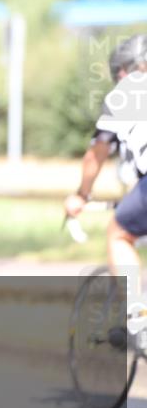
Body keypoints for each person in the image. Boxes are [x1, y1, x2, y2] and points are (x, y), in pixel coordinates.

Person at [64, 33, 147, 293]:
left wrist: (81, 194)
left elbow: (98, 151)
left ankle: (138, 317)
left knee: (119, 234)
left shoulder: (125, 94)